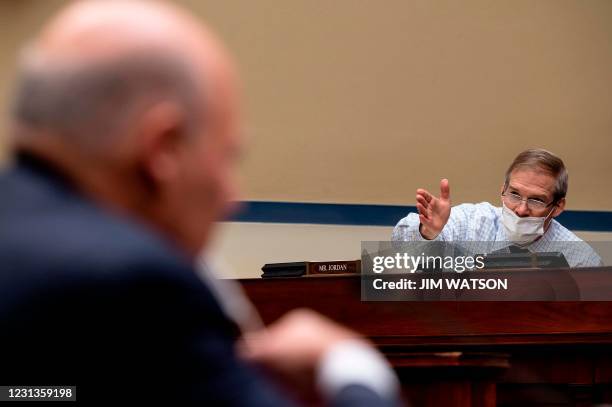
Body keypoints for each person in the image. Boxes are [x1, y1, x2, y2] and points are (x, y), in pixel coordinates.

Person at [0, 0, 399, 404]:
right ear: (163, 150)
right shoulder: (138, 287)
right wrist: (349, 364)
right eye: (226, 158)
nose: (232, 197)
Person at [392, 149, 602, 267]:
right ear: (503, 190)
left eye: (536, 200)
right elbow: (400, 245)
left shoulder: (580, 258)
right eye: (514, 194)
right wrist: (427, 233)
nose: (521, 210)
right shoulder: (471, 222)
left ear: (557, 206)